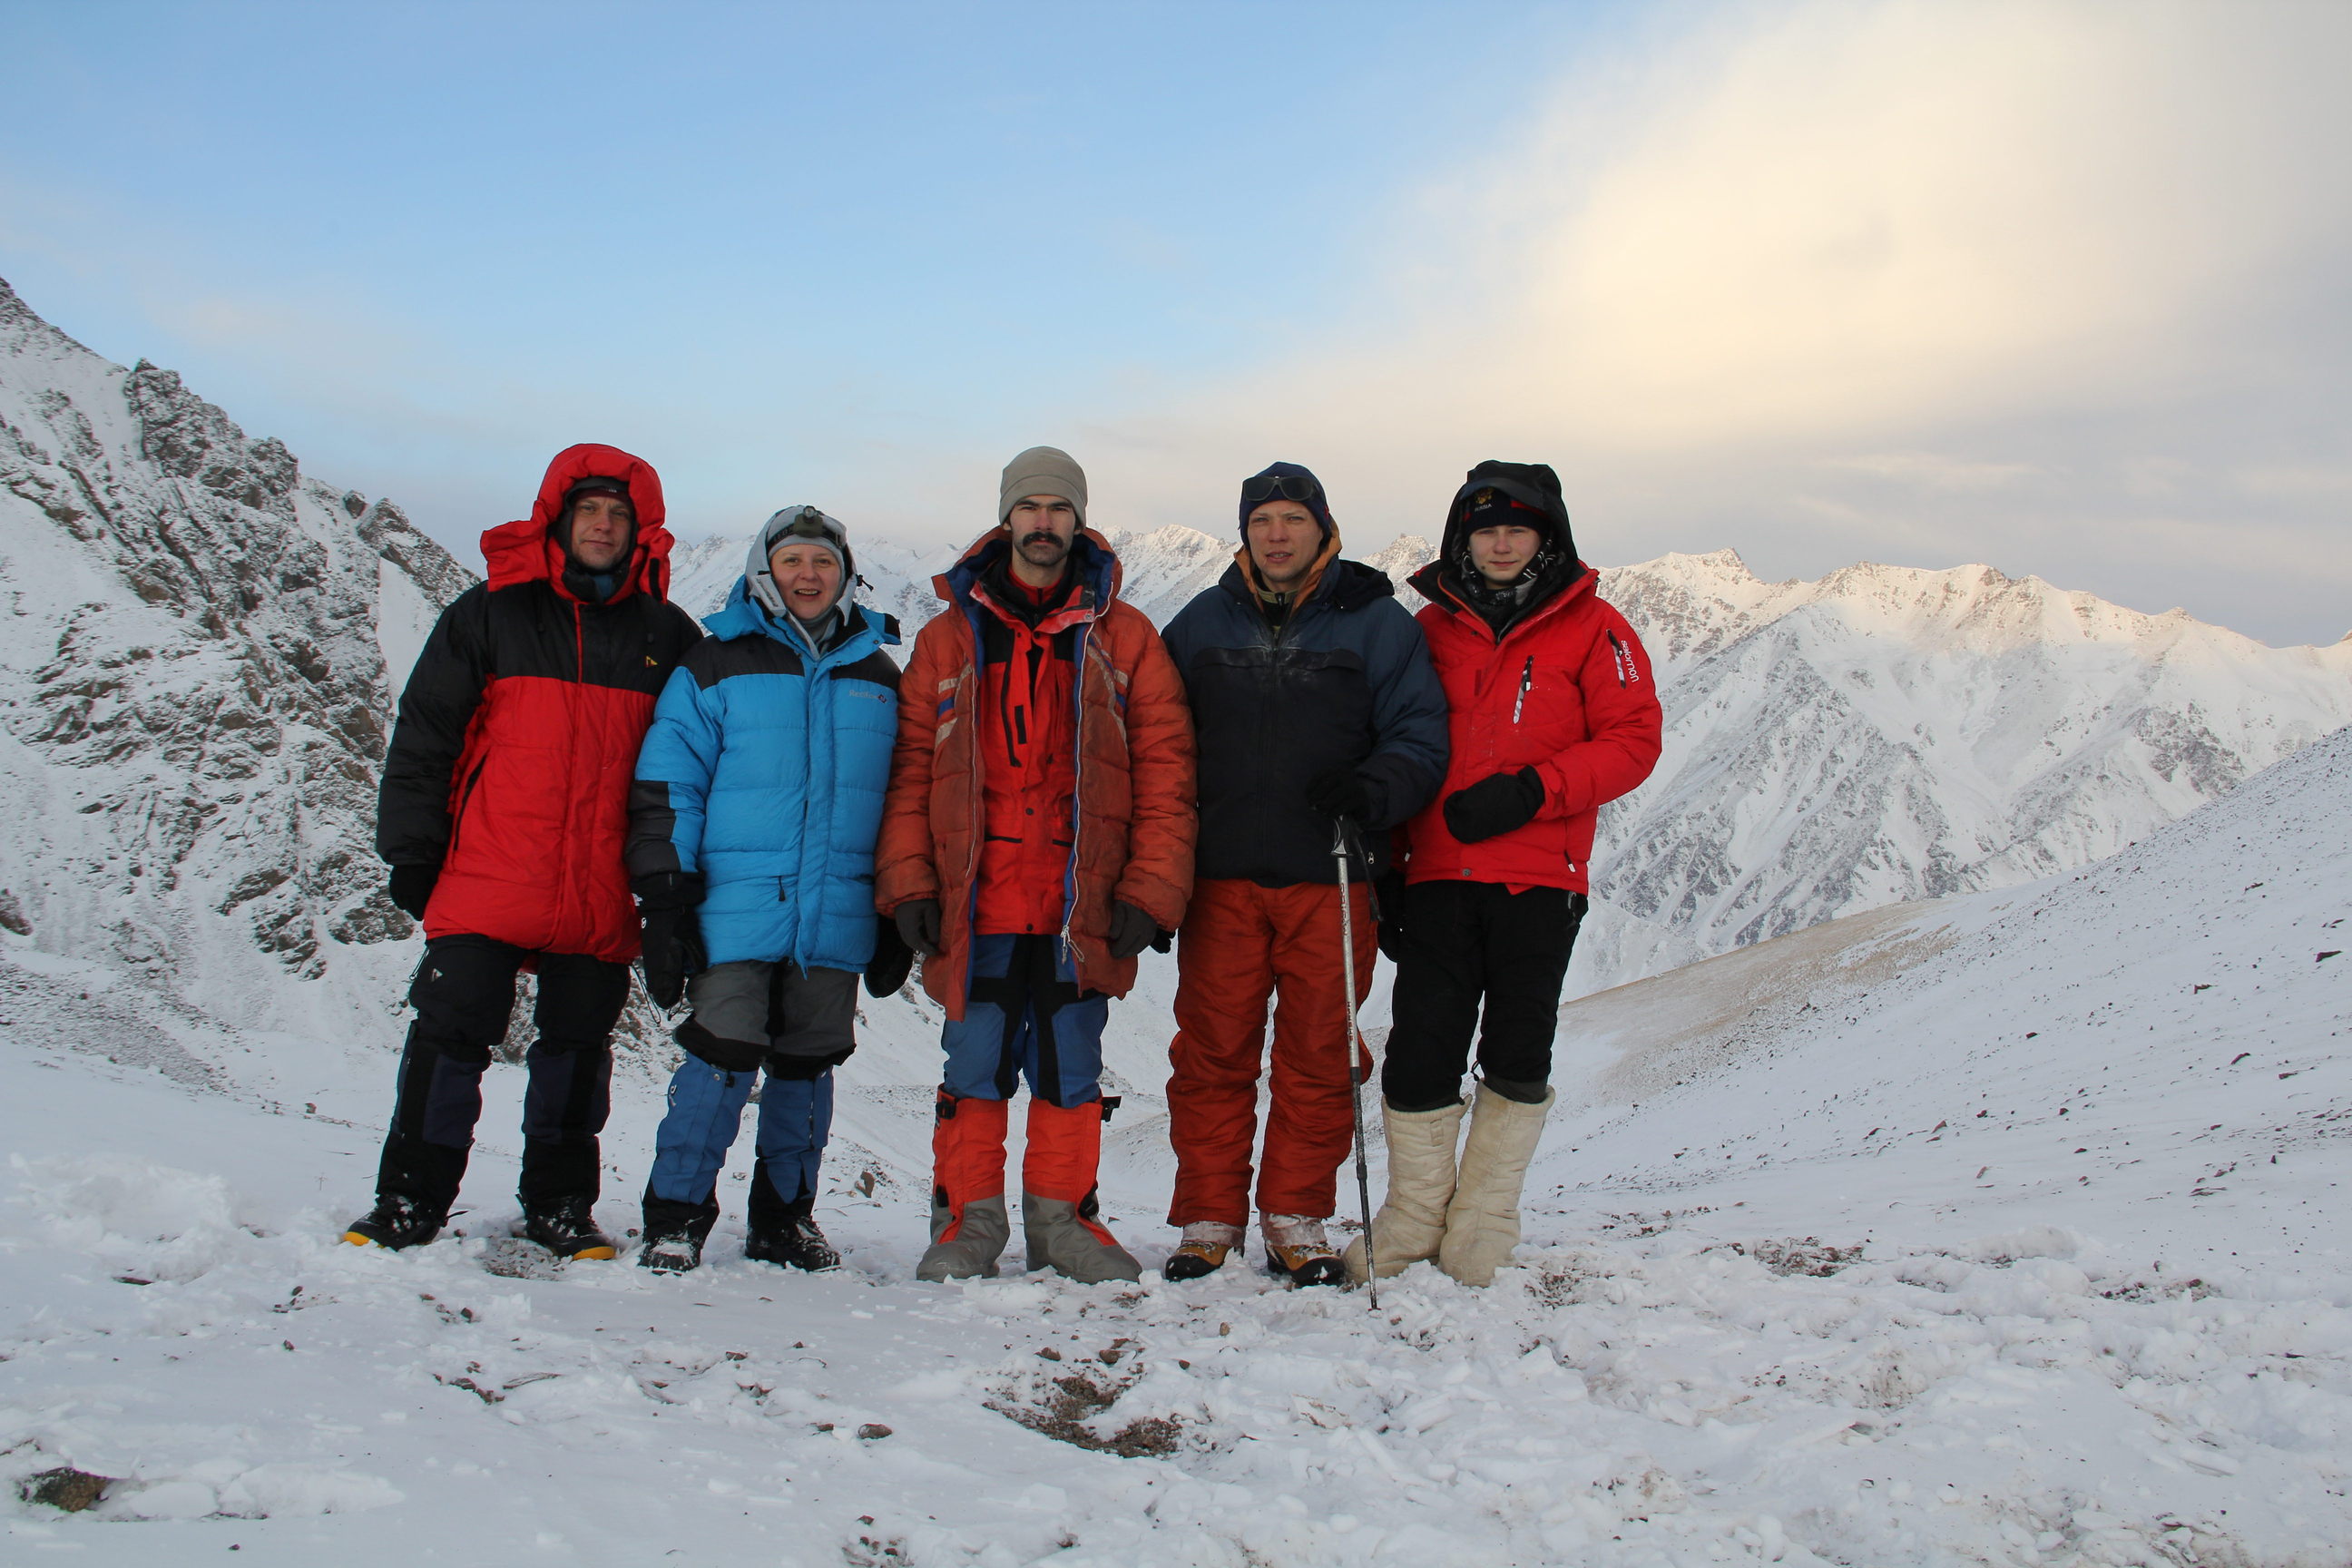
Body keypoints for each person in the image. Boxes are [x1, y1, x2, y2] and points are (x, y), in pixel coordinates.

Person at [351, 445, 703, 1257]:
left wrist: (671, 889)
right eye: (590, 511)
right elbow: (428, 733)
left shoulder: (666, 634)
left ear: (641, 530)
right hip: (490, 869)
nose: (603, 526)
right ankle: (409, 1200)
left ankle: (560, 1206)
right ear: (559, 518)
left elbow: (691, 765)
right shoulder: (491, 612)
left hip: (599, 885)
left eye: (619, 515)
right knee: (449, 1038)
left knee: (577, 1055)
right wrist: (412, 850)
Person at [875, 446, 1195, 1285]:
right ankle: (967, 1226)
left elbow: (1167, 772)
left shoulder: (1125, 637)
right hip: (975, 903)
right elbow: (910, 770)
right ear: (1007, 517)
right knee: (973, 1069)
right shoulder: (949, 638)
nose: (1044, 522)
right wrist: (909, 884)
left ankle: (1063, 1225)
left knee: (1069, 1068)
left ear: (1078, 521)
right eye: (1030, 506)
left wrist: (1151, 890)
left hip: (1076, 906)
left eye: (1059, 508)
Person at [1346, 461, 1661, 1287]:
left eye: (1518, 528)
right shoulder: (1426, 629)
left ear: (1547, 537)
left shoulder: (1598, 630)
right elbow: (1392, 737)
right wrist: (1388, 860)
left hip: (1541, 877)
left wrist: (1533, 790)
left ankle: (1484, 1220)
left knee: (1518, 1051)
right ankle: (1415, 1218)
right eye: (1484, 530)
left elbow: (1634, 741)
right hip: (1438, 874)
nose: (1500, 543)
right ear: (1462, 538)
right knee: (1422, 1050)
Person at [1157, 463, 1449, 1285]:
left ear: (1324, 528)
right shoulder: (1201, 623)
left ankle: (1296, 1216)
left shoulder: (1378, 625)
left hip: (1335, 874)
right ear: (1244, 533)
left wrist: (1373, 789)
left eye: (1292, 518)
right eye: (1262, 521)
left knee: (1320, 1056)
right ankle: (1208, 1218)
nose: (1277, 535)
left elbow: (1421, 737)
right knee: (1212, 1052)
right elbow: (1157, 740)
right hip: (1221, 878)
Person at [626, 505, 907, 1273]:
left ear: (846, 577)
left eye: (823, 562)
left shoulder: (879, 676)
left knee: (808, 1065)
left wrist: (894, 906)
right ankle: (675, 1217)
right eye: (793, 562)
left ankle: (785, 1220)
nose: (808, 575)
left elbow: (903, 801)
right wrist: (666, 893)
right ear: (764, 572)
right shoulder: (714, 664)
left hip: (838, 909)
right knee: (720, 1054)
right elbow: (671, 783)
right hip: (735, 904)